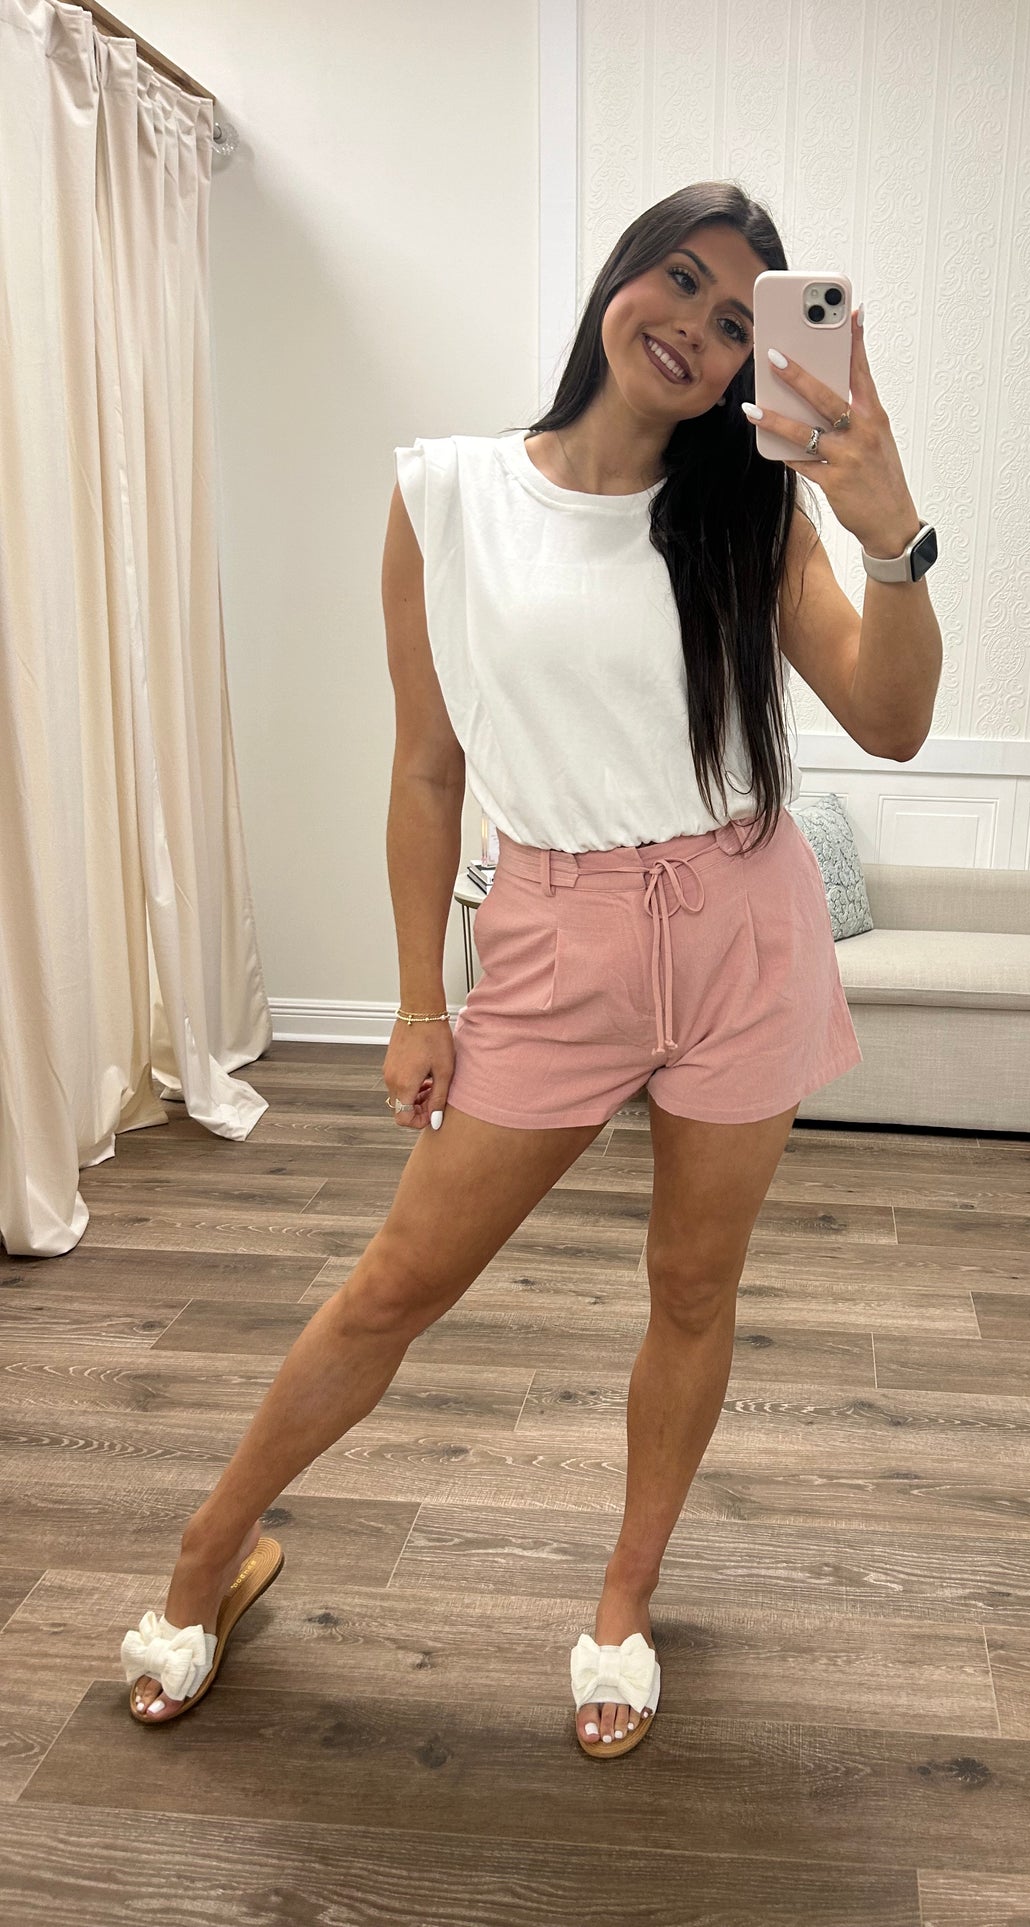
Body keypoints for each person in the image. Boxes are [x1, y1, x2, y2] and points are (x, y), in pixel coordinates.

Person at [119, 180, 934, 1759]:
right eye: (676, 281)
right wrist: (417, 1001)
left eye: (733, 321)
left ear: (757, 358)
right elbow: (428, 770)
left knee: (691, 1288)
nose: (692, 330)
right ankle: (209, 1555)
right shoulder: (446, 495)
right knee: (396, 1284)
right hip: (556, 935)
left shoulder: (754, 515)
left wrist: (887, 530)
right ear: (618, 274)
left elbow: (890, 721)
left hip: (743, 929)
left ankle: (624, 1603)